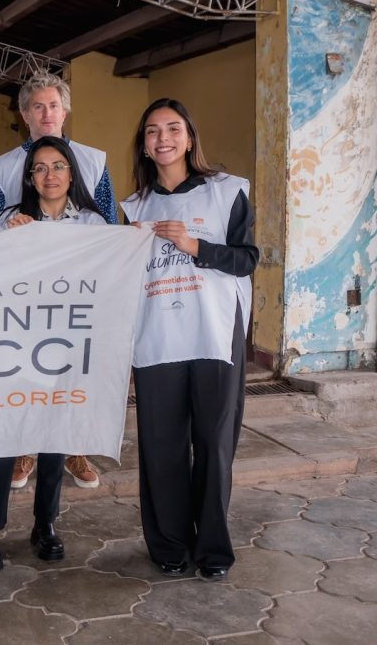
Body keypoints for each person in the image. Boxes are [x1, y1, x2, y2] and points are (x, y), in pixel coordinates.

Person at [121, 98, 258, 581]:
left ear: (190, 137)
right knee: (161, 446)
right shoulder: (133, 208)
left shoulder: (228, 191)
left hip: (215, 335)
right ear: (144, 144)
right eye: (153, 131)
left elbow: (246, 259)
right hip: (157, 338)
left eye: (173, 128)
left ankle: (213, 549)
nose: (163, 139)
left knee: (215, 444)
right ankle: (169, 545)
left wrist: (193, 246)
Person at [0, 136, 107, 572]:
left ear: (73, 173)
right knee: (4, 438)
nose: (50, 175)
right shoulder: (7, 220)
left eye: (59, 166)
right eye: (41, 168)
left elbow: (107, 274)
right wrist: (10, 244)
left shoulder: (93, 223)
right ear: (29, 177)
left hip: (68, 344)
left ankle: (45, 524)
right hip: (15, 343)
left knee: (55, 437)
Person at [0, 70, 115, 490]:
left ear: (65, 110)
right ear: (24, 114)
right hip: (22, 297)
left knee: (73, 372)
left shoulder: (93, 160)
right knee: (24, 372)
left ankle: (73, 447)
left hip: (77, 295)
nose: (47, 113)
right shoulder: (2, 167)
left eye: (54, 104)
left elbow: (108, 227)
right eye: (37, 106)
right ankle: (25, 447)